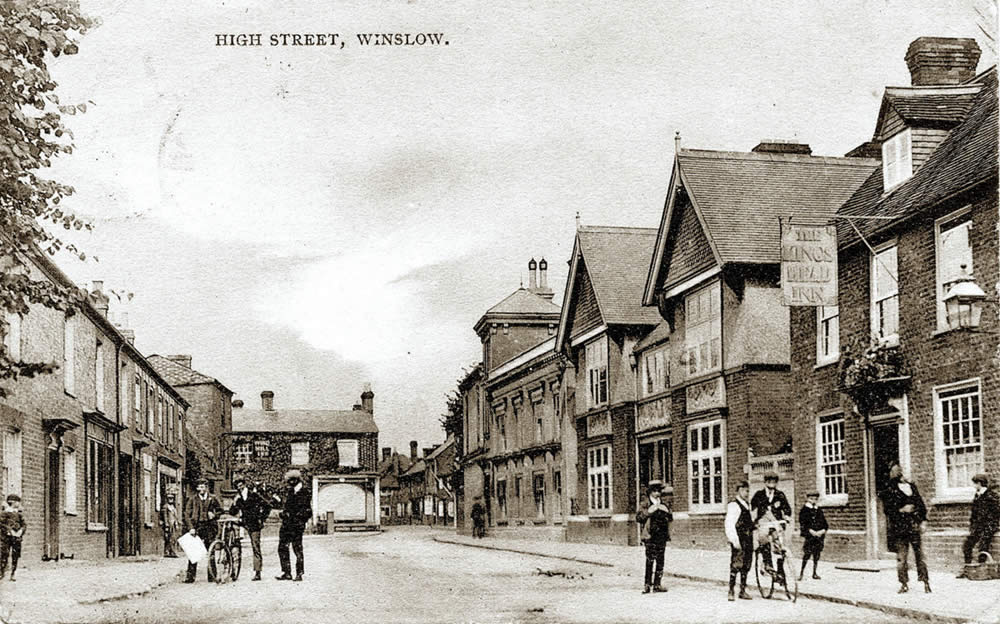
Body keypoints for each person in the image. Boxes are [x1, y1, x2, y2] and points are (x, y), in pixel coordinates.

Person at [879, 463, 930, 594]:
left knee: (920, 555)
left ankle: (925, 581)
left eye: (901, 471)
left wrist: (923, 521)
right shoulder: (890, 489)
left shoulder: (912, 487)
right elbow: (887, 510)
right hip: (900, 528)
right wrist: (901, 510)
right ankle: (904, 583)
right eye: (897, 471)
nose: (900, 473)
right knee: (902, 557)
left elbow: (921, 505)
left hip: (913, 526)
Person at [230, 476, 273, 581]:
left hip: (254, 524)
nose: (239, 488)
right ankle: (233, 569)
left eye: (241, 486)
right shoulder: (238, 497)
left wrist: (261, 519)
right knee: (234, 543)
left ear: (244, 485)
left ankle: (257, 572)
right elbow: (232, 512)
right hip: (243, 524)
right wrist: (234, 502)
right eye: (237, 486)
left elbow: (268, 506)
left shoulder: (254, 495)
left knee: (255, 547)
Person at [958, 473, 1000, 577]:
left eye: (974, 484)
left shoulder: (992, 496)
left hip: (989, 526)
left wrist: (990, 524)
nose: (973, 486)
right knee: (967, 545)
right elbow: (974, 514)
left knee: (983, 544)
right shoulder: (977, 495)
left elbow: (996, 512)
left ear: (979, 483)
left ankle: (981, 570)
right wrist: (972, 526)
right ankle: (967, 569)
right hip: (978, 526)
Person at [751, 471, 792, 576]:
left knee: (780, 544)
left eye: (774, 482)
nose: (771, 484)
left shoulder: (780, 495)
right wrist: (753, 519)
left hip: (775, 521)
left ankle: (780, 569)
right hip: (763, 521)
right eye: (769, 481)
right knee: (763, 537)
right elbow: (752, 508)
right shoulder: (759, 494)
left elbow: (787, 508)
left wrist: (786, 516)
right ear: (765, 482)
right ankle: (767, 563)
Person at [636, 479, 672, 594]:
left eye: (659, 491)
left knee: (660, 561)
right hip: (650, 536)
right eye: (655, 491)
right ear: (650, 492)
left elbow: (670, 518)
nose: (657, 494)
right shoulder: (645, 504)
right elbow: (639, 518)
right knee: (650, 560)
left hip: (661, 535)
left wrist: (666, 512)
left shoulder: (663, 503)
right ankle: (647, 585)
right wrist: (649, 512)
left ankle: (657, 584)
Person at [183, 478, 222, 583]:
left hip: (210, 527)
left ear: (206, 488)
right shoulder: (192, 499)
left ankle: (212, 575)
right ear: (196, 488)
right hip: (197, 527)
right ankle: (190, 577)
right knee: (193, 552)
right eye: (199, 487)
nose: (201, 489)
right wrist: (191, 528)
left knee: (211, 551)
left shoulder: (213, 498)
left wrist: (214, 515)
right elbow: (187, 514)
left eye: (203, 486)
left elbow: (220, 511)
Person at [275, 469, 311, 582]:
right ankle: (287, 572)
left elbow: (307, 511)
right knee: (282, 548)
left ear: (296, 480)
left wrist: (299, 520)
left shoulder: (304, 492)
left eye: (290, 480)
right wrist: (284, 514)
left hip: (296, 526)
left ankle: (299, 573)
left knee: (297, 549)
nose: (289, 483)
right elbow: (287, 507)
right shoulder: (291, 491)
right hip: (287, 525)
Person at [725, 480, 754, 601]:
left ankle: (742, 590)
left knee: (746, 564)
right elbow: (729, 524)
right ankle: (731, 590)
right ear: (738, 491)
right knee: (736, 564)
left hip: (748, 538)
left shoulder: (747, 505)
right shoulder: (734, 505)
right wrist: (734, 540)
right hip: (739, 539)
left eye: (747, 490)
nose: (746, 493)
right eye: (743, 490)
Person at [798, 491, 828, 581]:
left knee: (816, 554)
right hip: (810, 537)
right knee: (807, 554)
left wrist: (822, 531)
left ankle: (814, 572)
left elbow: (825, 523)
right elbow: (803, 524)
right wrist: (811, 531)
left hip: (819, 536)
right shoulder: (804, 510)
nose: (813, 501)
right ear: (807, 499)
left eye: (815, 499)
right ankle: (801, 573)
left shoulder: (818, 510)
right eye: (811, 499)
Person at [0, 494, 25, 581]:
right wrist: (10, 531)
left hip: (17, 538)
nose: (18, 504)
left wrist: (21, 531)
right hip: (6, 538)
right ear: (13, 502)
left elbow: (24, 524)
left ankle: (13, 573)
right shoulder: (4, 513)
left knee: (15, 555)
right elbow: (2, 524)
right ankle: (2, 572)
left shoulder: (19, 514)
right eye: (17, 502)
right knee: (4, 554)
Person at [159, 491, 181, 558]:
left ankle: (171, 551)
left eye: (172, 498)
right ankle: (169, 552)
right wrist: (166, 525)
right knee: (169, 538)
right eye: (169, 498)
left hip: (173, 524)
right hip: (169, 524)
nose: (171, 500)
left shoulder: (173, 507)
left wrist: (177, 522)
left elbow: (175, 516)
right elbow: (165, 516)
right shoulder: (166, 507)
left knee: (174, 538)